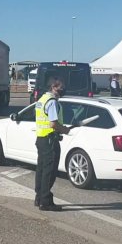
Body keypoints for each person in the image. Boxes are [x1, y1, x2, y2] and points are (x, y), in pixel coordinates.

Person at [34, 77, 70, 211]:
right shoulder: (52, 102)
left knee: (41, 170)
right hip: (50, 139)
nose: (63, 89)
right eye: (60, 86)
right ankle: (46, 201)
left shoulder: (41, 99)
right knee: (49, 171)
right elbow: (53, 123)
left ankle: (39, 197)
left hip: (41, 138)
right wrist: (65, 129)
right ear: (53, 87)